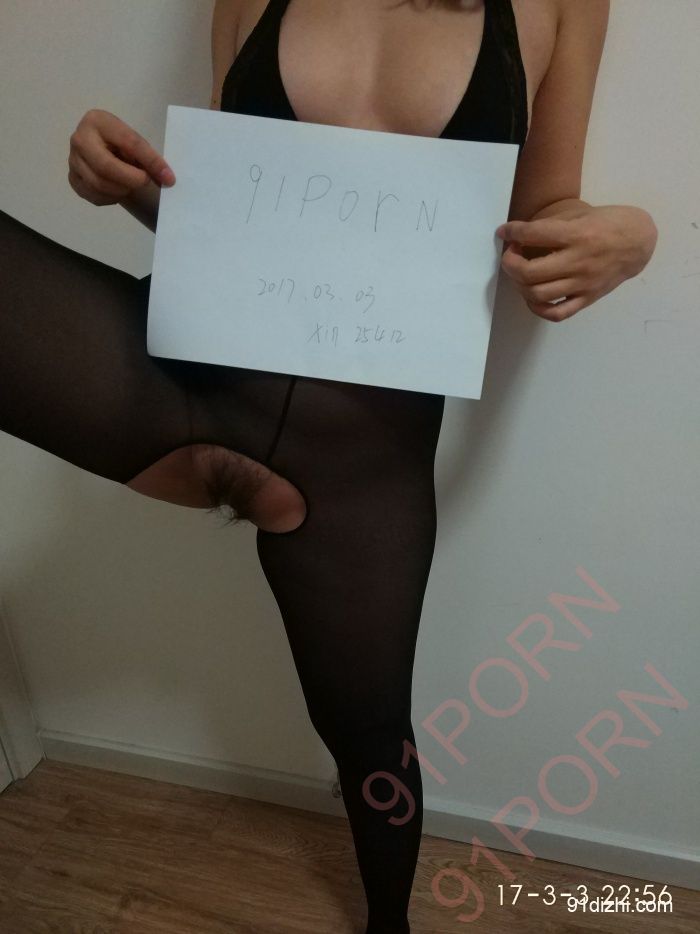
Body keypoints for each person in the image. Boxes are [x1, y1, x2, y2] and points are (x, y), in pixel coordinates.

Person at [0, 1, 657, 931]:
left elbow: (550, 206)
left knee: (371, 745)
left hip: (356, 465)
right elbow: (224, 217)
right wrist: (126, 183)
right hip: (180, 381)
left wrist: (627, 242)